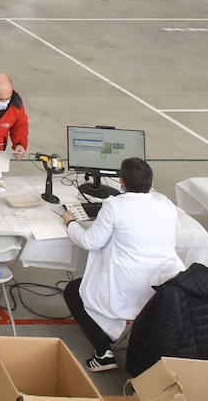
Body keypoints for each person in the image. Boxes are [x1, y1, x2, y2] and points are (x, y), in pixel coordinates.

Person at [61, 157, 183, 372]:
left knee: (73, 291)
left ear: (122, 183)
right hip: (164, 286)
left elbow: (90, 242)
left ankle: (103, 353)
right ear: (152, 184)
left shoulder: (115, 205)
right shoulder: (166, 204)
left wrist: (71, 223)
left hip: (126, 285)